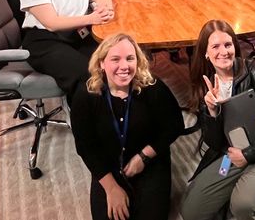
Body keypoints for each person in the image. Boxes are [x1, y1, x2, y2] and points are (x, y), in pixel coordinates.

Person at [181, 20, 255, 220]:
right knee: (191, 211)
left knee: (243, 205)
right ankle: (240, 189)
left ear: (235, 46)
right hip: (231, 155)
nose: (223, 52)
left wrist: (248, 155)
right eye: (215, 46)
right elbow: (215, 143)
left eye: (228, 44)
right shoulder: (206, 87)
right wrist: (212, 111)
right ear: (206, 53)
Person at [71, 33, 183, 220]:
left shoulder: (153, 87)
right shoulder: (85, 95)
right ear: (101, 63)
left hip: (149, 161)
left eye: (130, 59)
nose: (124, 66)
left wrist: (144, 157)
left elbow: (174, 125)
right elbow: (85, 146)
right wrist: (111, 188)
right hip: (109, 164)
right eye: (115, 59)